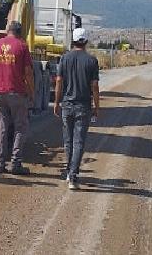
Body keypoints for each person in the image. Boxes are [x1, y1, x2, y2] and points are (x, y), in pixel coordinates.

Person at [0, 20, 34, 176]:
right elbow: (28, 73)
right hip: (17, 92)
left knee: (1, 128)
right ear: (20, 32)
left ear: (8, 30)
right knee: (20, 127)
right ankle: (16, 163)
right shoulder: (22, 46)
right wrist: (32, 91)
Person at [53, 27, 100, 190]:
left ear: (73, 41)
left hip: (67, 105)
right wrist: (97, 106)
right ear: (85, 41)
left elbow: (59, 81)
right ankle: (73, 175)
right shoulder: (92, 60)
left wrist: (57, 102)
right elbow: (94, 86)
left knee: (68, 140)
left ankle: (69, 172)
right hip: (83, 106)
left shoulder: (64, 59)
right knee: (79, 141)